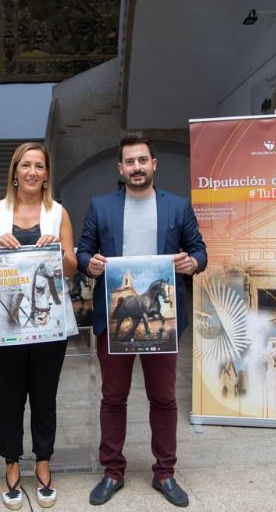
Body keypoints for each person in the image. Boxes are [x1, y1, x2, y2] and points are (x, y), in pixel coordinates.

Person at [77, 132, 207, 508]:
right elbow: (84, 251)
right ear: (121, 168)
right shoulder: (100, 207)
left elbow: (199, 250)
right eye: (129, 162)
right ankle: (112, 472)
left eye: (142, 160)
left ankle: (165, 472)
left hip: (162, 320)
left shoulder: (178, 207)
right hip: (115, 322)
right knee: (113, 398)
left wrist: (192, 262)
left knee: (164, 399)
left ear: (154, 164)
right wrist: (91, 263)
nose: (136, 167)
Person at [0, 142, 78, 510]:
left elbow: (71, 267)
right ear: (15, 172)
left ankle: (44, 463)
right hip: (8, 319)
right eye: (26, 165)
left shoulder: (59, 213)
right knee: (11, 395)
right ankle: (13, 464)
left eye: (39, 166)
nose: (32, 172)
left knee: (45, 395)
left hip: (49, 320)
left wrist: (61, 251)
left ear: (47, 173)